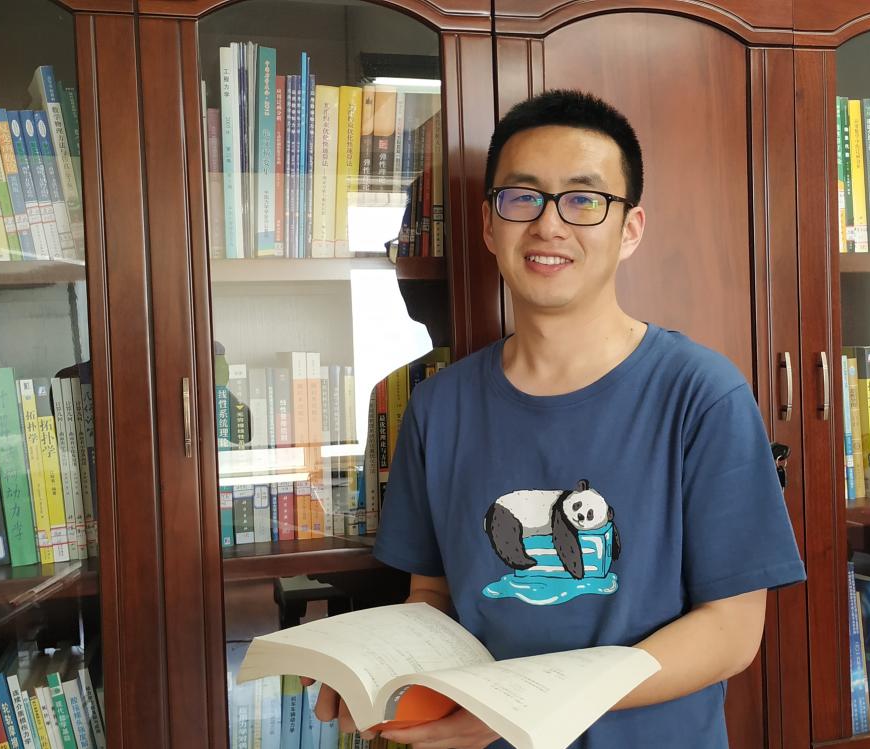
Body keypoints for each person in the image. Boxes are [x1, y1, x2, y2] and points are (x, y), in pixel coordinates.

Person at [309, 89, 806, 748]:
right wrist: (376, 667)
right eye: (523, 197)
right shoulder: (437, 406)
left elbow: (732, 630)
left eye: (584, 199)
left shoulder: (701, 393)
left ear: (630, 228)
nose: (549, 224)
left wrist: (526, 707)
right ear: (489, 226)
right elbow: (433, 597)